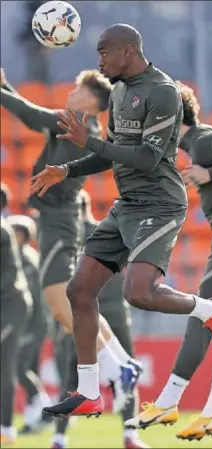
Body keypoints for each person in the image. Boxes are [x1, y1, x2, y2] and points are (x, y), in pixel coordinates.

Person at [31, 23, 212, 419]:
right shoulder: (121, 92)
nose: (99, 61)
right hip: (128, 204)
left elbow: (146, 158)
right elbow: (113, 153)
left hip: (159, 204)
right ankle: (89, 391)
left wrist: (85, 140)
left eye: (104, 52)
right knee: (79, 291)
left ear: (127, 50)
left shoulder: (163, 92)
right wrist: (68, 170)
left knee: (138, 293)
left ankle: (210, 310)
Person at [0, 68, 140, 405]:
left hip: (57, 222)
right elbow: (33, 113)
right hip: (59, 221)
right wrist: (5, 85)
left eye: (76, 89)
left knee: (60, 302)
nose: (69, 92)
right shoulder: (85, 129)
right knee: (67, 303)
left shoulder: (72, 122)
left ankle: (116, 365)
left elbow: (31, 116)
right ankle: (122, 364)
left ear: (89, 99)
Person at [124, 82, 212, 435]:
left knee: (202, 314)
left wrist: (211, 174)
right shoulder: (202, 143)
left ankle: (166, 402)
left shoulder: (205, 139)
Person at [50, 190, 147, 449]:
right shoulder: (110, 232)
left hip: (83, 315)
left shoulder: (68, 239)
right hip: (115, 311)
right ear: (89, 205)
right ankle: (130, 434)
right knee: (126, 371)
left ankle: (59, 437)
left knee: (73, 379)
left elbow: (61, 285)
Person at [7, 214, 50, 434]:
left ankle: (45, 409)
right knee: (27, 369)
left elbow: (31, 297)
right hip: (28, 323)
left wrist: (23, 328)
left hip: (32, 324)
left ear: (26, 236)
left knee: (19, 368)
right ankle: (36, 418)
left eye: (17, 232)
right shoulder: (18, 257)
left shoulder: (26, 259)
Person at [0, 184, 33, 445]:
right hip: (8, 303)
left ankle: (7, 427)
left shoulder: (2, 230)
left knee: (5, 366)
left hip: (10, 306)